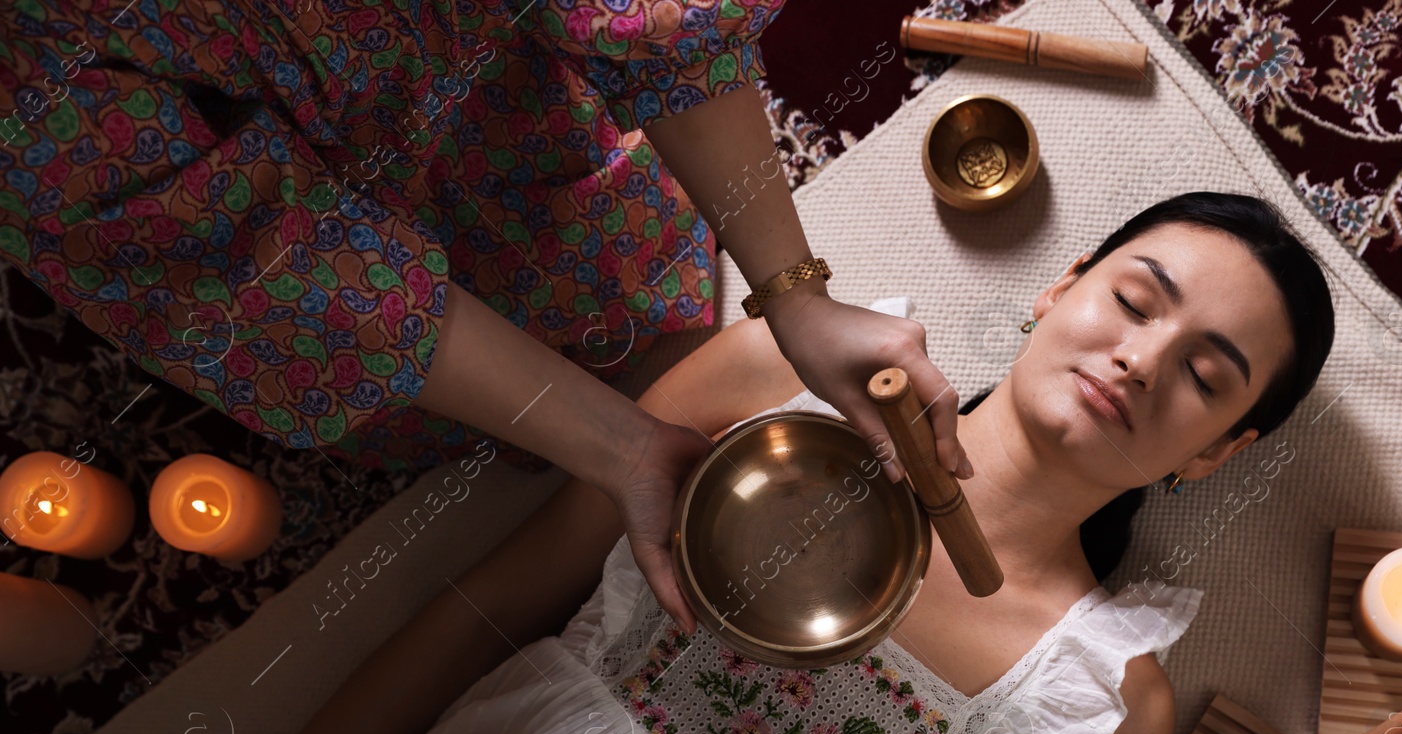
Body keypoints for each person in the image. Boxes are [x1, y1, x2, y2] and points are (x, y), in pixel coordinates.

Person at [58, 192, 1335, 734]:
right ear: (1060, 286)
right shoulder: (771, 381)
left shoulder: (1100, 698)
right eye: (1136, 296)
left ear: (1218, 452)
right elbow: (483, 612)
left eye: (1207, 373)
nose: (1142, 355)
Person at [0, 0, 968, 634]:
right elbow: (250, 268)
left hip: (502, 105)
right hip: (292, 287)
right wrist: (622, 449)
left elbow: (643, 16)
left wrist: (795, 292)